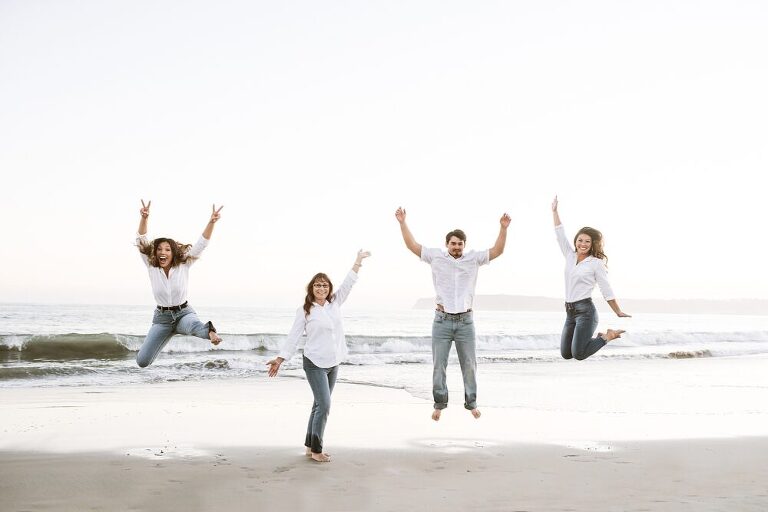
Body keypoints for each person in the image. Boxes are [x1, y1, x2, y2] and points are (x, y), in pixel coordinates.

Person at [395, 207, 511, 421]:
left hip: (466, 321)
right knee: (439, 364)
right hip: (442, 320)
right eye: (453, 243)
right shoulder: (436, 256)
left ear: (464, 246)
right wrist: (403, 223)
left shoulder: (473, 258)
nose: (456, 247)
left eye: (460, 244)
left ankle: (472, 403)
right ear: (447, 244)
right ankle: (439, 403)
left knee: (469, 365)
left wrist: (503, 228)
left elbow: (497, 251)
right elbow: (412, 245)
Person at [266, 250, 371, 463]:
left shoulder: (335, 304)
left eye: (325, 285)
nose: (321, 288)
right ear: (311, 289)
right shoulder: (305, 310)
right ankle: (317, 450)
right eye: (317, 285)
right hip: (314, 363)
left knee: (318, 404)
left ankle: (309, 445)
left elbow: (349, 283)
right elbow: (293, 337)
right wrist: (280, 359)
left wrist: (358, 261)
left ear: (329, 289)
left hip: (334, 362)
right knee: (324, 405)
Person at [135, 200, 223, 368]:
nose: (163, 252)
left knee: (194, 326)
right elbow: (141, 239)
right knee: (142, 362)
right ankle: (162, 338)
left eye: (167, 249)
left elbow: (201, 244)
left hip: (183, 313)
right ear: (155, 252)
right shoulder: (151, 265)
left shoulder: (184, 264)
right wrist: (144, 218)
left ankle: (210, 331)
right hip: (162, 319)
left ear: (173, 252)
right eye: (160, 249)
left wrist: (211, 222)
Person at [551, 195, 630, 361]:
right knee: (566, 354)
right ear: (576, 241)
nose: (583, 244)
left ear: (593, 244)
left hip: (586, 312)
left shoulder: (596, 263)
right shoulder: (570, 256)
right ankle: (603, 336)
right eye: (580, 240)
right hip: (570, 311)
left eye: (587, 241)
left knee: (579, 354)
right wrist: (555, 211)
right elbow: (559, 233)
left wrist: (617, 311)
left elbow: (606, 289)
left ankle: (607, 336)